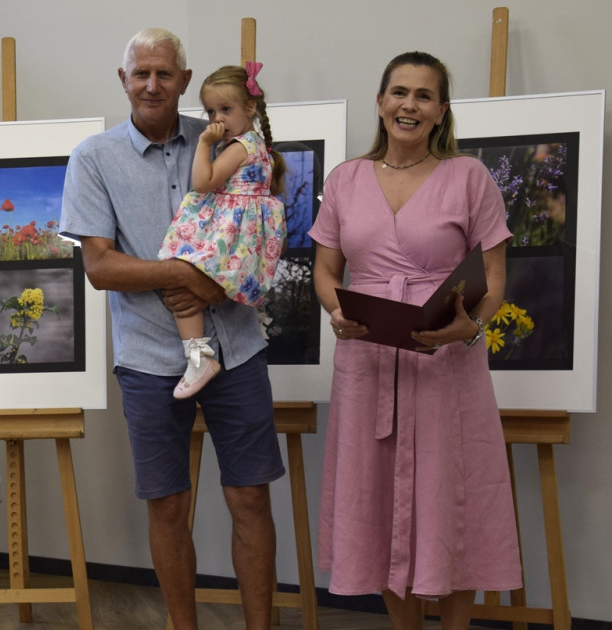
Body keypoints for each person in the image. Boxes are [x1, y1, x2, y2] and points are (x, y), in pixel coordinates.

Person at [60, 27, 285, 630]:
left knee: (250, 497)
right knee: (167, 505)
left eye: (164, 73)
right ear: (124, 80)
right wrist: (188, 275)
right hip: (150, 358)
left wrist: (218, 283)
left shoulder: (221, 131)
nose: (152, 85)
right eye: (141, 74)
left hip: (236, 349)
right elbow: (101, 267)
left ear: (184, 80)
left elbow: (262, 210)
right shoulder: (93, 158)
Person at [309, 51, 522, 630]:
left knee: (453, 503)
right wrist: (336, 310)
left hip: (446, 365)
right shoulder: (345, 179)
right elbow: (326, 272)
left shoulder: (470, 178)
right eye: (399, 93)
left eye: (424, 96)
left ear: (440, 111)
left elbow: (494, 281)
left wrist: (469, 329)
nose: (410, 105)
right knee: (376, 503)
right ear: (381, 102)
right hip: (368, 361)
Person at [159, 64, 287, 398]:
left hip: (229, 232)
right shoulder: (258, 145)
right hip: (239, 233)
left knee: (180, 272)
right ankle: (198, 355)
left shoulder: (240, 147)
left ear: (250, 108)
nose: (217, 119)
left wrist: (203, 143)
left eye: (225, 110)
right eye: (211, 111)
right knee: (184, 283)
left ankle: (198, 356)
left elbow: (203, 182)